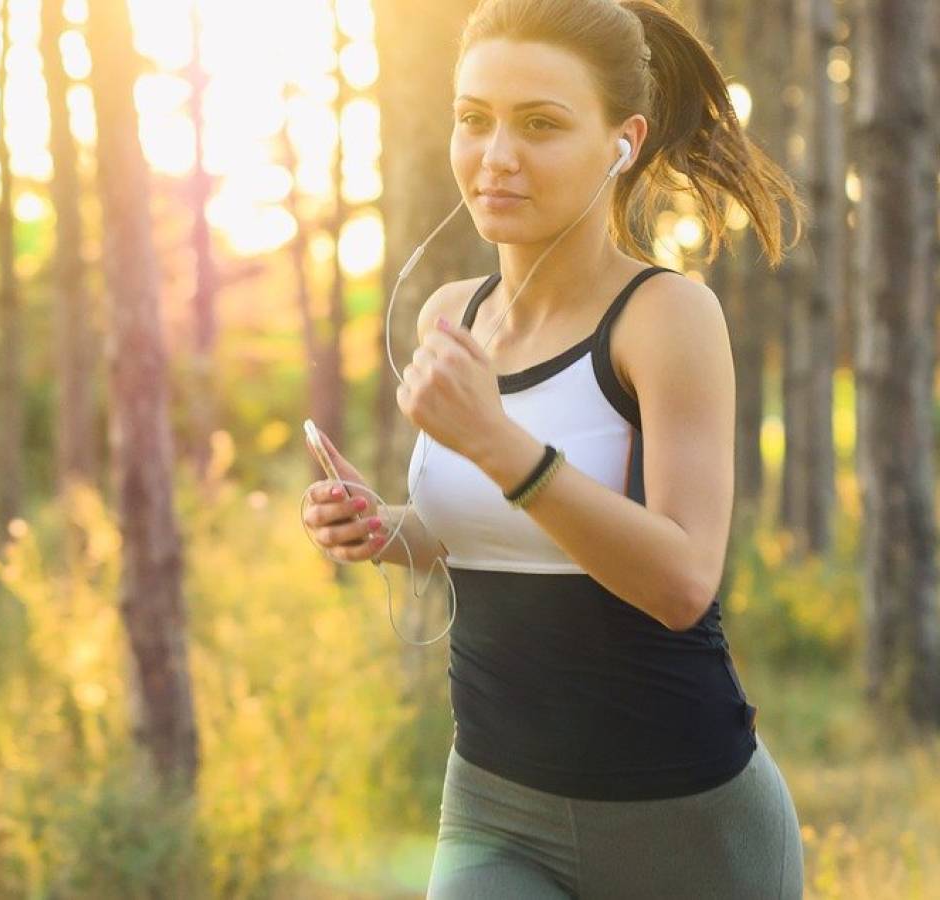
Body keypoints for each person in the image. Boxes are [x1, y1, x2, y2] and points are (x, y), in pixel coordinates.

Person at [302, 0, 808, 896]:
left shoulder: (664, 318)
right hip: (495, 807)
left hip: (684, 821)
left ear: (624, 140)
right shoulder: (449, 315)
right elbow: (492, 532)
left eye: (540, 124)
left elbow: (682, 581)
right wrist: (386, 528)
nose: (496, 157)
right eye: (474, 120)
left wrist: (498, 444)